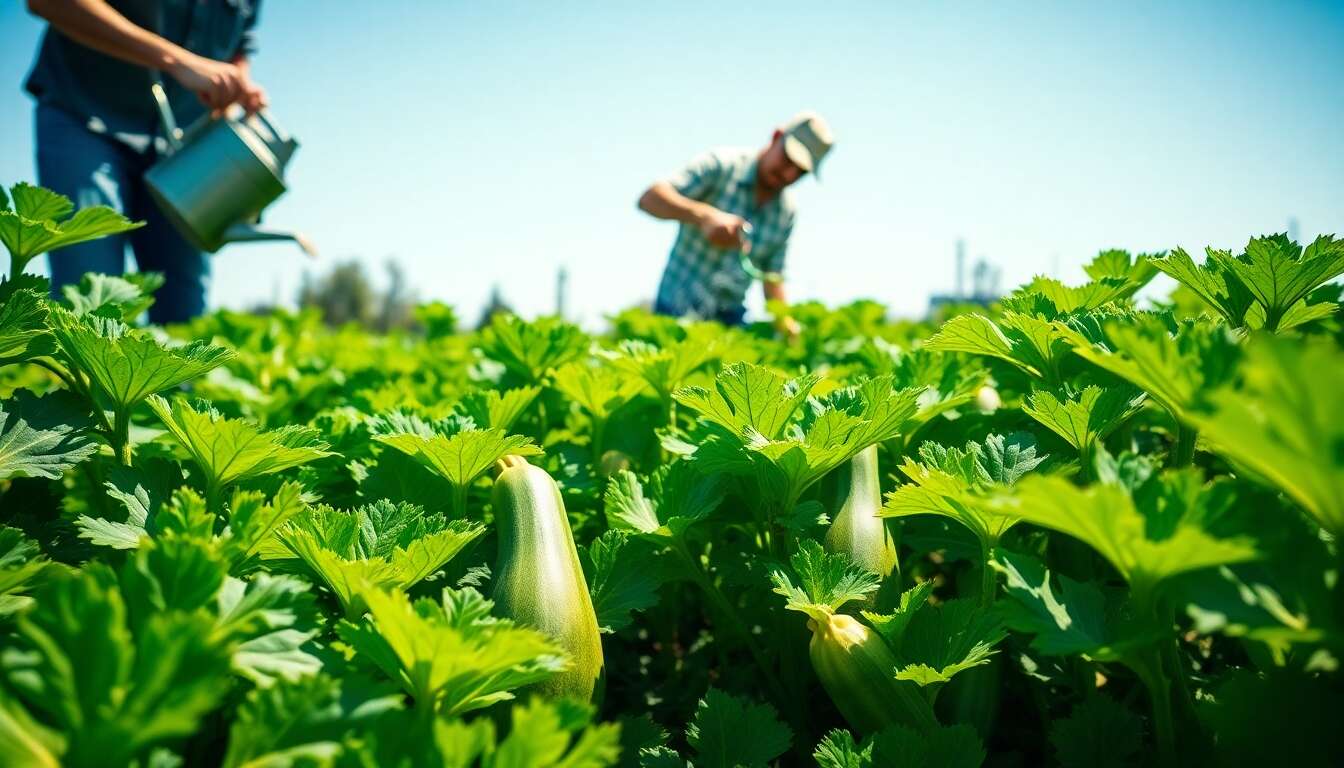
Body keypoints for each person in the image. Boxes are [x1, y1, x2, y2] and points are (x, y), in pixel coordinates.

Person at [24, 0, 268, 323]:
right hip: (85, 114)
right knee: (88, 296)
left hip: (184, 149)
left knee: (185, 317)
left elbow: (240, 47)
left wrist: (236, 87)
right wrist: (177, 61)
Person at [637, 111, 833, 338]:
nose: (789, 175)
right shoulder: (721, 166)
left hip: (729, 319)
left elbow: (772, 278)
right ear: (776, 137)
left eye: (801, 172)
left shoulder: (785, 212)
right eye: (788, 160)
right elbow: (649, 199)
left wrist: (786, 323)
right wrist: (704, 216)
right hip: (675, 310)